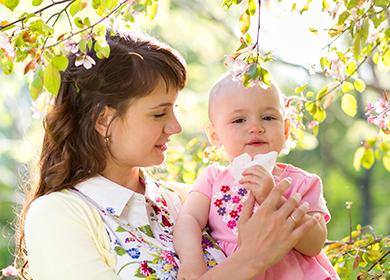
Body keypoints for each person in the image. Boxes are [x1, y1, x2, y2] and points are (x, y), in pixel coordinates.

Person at [16, 31, 318, 280]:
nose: (175, 127)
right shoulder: (58, 215)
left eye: (175, 110)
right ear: (103, 120)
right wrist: (250, 260)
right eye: (159, 113)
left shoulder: (184, 200)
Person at [173, 72, 339, 280]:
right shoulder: (213, 178)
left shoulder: (302, 182)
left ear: (286, 129)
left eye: (268, 118)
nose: (256, 128)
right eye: (239, 120)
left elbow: (315, 244)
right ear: (215, 135)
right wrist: (191, 261)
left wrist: (274, 198)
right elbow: (188, 219)